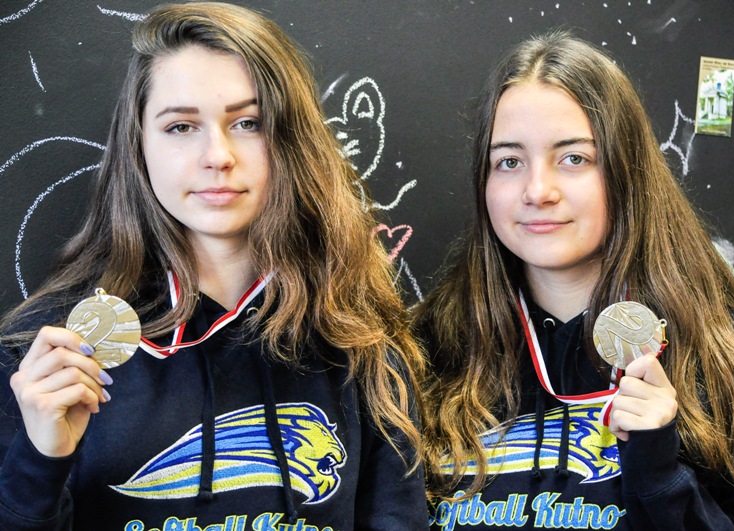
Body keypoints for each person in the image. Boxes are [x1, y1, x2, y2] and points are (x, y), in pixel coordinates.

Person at [0, 3, 428, 530]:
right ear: (139, 145)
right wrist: (39, 464)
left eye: (248, 123)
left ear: (291, 140)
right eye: (181, 126)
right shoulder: (49, 355)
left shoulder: (361, 345)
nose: (218, 155)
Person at [417, 30, 734, 530]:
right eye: (509, 161)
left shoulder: (728, 358)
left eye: (574, 158)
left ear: (626, 172)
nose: (538, 190)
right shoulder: (428, 351)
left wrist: (660, 474)